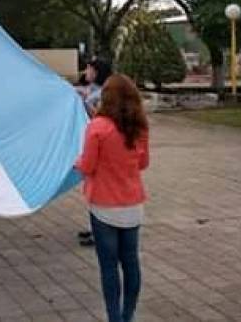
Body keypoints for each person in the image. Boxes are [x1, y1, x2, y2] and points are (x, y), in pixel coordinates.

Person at [75, 74, 149, 322]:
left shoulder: (97, 127)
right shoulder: (140, 127)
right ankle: (128, 316)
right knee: (131, 263)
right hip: (133, 205)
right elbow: (143, 163)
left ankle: (114, 318)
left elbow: (87, 166)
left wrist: (76, 163)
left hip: (103, 207)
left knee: (109, 267)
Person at [77, 57, 112, 246]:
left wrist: (85, 104)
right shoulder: (90, 90)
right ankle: (93, 227)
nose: (85, 72)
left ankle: (99, 231)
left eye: (89, 69)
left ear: (97, 72)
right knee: (91, 189)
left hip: (101, 145)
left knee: (99, 189)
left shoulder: (105, 94)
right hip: (92, 142)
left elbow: (102, 117)